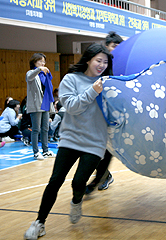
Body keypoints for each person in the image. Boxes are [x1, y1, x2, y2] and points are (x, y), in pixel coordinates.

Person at [23, 43, 113, 240]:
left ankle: (77, 199)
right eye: (98, 60)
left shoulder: (109, 82)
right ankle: (39, 223)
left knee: (79, 182)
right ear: (88, 59)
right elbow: (71, 106)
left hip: (96, 141)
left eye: (105, 62)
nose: (102, 65)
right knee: (55, 180)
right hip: (71, 138)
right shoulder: (71, 79)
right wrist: (93, 90)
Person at [85, 31, 124, 194]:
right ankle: (103, 175)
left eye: (119, 47)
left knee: (106, 149)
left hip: (110, 115)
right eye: (114, 46)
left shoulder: (120, 65)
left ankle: (100, 178)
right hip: (94, 114)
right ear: (106, 47)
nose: (117, 50)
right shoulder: (99, 65)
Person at [26, 53, 56, 160]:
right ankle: (35, 152)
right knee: (36, 129)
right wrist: (39, 69)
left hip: (45, 104)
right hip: (36, 105)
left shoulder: (45, 75)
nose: (43, 63)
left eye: (44, 61)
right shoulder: (31, 73)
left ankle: (46, 150)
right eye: (40, 61)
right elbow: (30, 76)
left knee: (45, 128)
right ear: (34, 62)